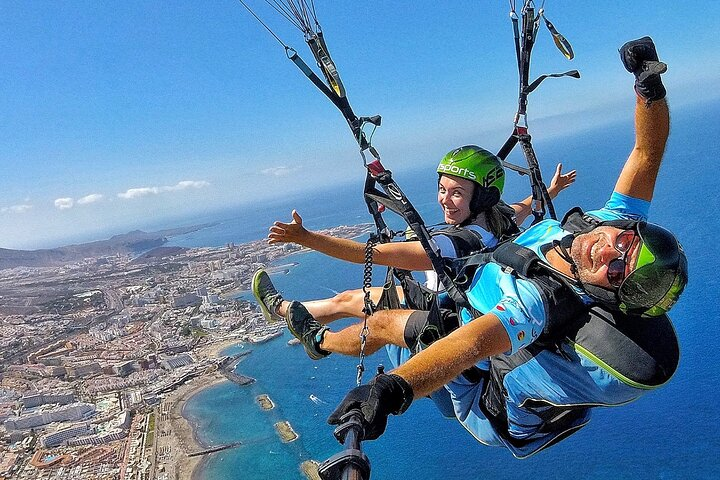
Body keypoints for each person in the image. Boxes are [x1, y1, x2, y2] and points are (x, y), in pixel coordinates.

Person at [317, 37, 688, 458]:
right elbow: (646, 154)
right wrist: (648, 90)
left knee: (387, 322)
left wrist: (391, 390)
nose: (606, 251)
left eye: (616, 272)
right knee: (390, 309)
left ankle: (320, 342)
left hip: (482, 400)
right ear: (626, 228)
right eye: (623, 241)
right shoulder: (603, 225)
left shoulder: (536, 301)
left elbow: (471, 345)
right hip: (477, 324)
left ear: (607, 292)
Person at [253, 150, 576, 359]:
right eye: (442, 189)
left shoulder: (453, 244)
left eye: (457, 193)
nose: (444, 200)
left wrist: (305, 238)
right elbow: (526, 207)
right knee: (348, 299)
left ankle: (320, 341)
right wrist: (552, 190)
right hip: (444, 298)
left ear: (481, 198)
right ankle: (279, 309)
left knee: (371, 321)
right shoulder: (498, 215)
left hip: (439, 313)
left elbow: (368, 254)